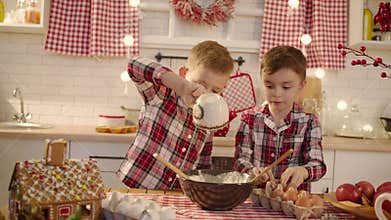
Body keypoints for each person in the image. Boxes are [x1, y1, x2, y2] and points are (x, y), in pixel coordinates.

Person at [117, 40, 234, 189]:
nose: (205, 93)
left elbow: (203, 165)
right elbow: (134, 65)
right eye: (201, 84)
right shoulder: (162, 94)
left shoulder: (207, 119)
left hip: (175, 195)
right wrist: (182, 86)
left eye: (215, 90)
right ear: (184, 73)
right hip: (137, 186)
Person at [233, 46, 326, 191]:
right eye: (269, 86)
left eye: (286, 87)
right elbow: (240, 161)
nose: (277, 93)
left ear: (301, 85)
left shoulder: (309, 122)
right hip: (257, 199)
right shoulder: (250, 119)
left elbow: (318, 165)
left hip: (293, 201)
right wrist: (252, 172)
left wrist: (304, 171)